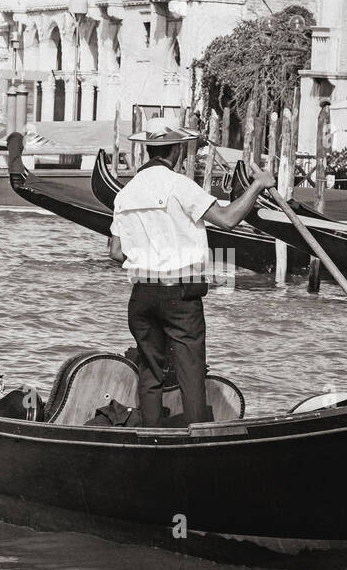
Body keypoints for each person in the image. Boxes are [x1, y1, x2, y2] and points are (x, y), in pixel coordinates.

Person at [108, 119, 274, 427]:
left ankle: (150, 439)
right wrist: (258, 185)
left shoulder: (125, 193)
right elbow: (227, 219)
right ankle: (200, 440)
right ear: (176, 152)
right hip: (179, 295)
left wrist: (150, 261)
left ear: (149, 150)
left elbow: (116, 252)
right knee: (191, 373)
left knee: (150, 372)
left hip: (142, 295)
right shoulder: (179, 185)